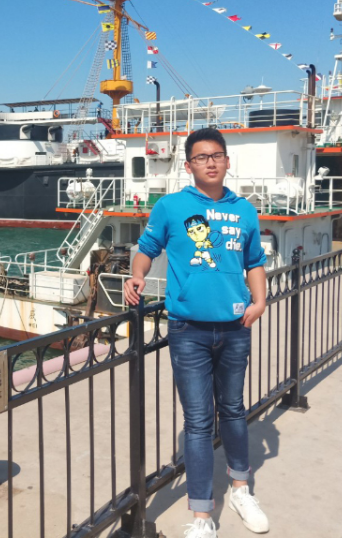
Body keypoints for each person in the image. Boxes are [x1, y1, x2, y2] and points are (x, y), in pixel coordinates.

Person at [124, 128, 270, 538]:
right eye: (202, 157)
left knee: (234, 410)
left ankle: (241, 489)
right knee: (199, 421)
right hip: (188, 330)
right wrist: (137, 276)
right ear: (188, 165)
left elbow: (254, 261)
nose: (210, 162)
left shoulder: (244, 210)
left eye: (217, 155)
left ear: (227, 162)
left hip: (235, 328)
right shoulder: (170, 207)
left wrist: (260, 302)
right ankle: (203, 515)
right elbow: (146, 249)